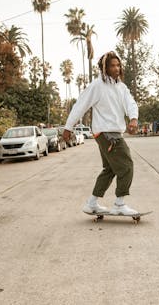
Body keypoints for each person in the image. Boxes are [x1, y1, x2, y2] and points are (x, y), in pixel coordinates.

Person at [63, 51, 139, 215]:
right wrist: (68, 127)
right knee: (126, 166)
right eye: (112, 65)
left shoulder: (120, 86)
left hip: (111, 133)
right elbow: (81, 105)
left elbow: (130, 103)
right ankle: (119, 204)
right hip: (107, 134)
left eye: (118, 65)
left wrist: (133, 118)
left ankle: (91, 203)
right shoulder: (97, 86)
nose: (116, 68)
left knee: (110, 169)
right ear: (104, 67)